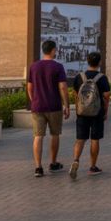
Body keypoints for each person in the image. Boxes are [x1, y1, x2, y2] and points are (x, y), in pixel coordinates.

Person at [26, 39, 70, 177]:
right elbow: (63, 87)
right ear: (52, 50)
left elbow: (29, 87)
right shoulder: (58, 67)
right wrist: (67, 105)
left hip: (37, 107)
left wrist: (34, 100)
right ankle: (53, 163)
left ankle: (38, 168)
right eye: (55, 50)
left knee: (38, 136)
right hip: (54, 106)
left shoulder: (33, 66)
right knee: (55, 134)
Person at [69, 51, 111, 180]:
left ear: (87, 61)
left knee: (80, 139)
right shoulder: (102, 77)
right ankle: (93, 166)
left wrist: (78, 108)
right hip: (96, 112)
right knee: (95, 139)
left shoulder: (79, 77)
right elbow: (106, 96)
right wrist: (105, 111)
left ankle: (76, 160)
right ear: (99, 63)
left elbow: (76, 94)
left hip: (82, 113)